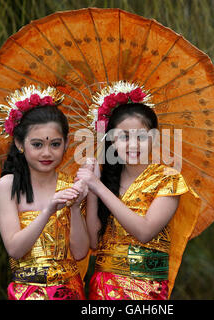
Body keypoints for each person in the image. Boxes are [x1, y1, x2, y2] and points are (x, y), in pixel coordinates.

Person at [76, 84, 194, 300]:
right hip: (103, 289)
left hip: (146, 290)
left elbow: (145, 231)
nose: (133, 144)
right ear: (111, 139)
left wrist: (98, 187)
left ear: (155, 138)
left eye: (141, 136)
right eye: (124, 137)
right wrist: (92, 190)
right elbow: (93, 242)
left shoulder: (167, 178)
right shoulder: (105, 180)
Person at [0, 86, 89, 300]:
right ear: (20, 144)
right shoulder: (8, 185)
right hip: (27, 293)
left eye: (55, 144)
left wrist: (74, 207)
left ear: (66, 144)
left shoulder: (71, 186)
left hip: (70, 293)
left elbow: (81, 252)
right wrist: (48, 210)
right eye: (37, 144)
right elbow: (15, 249)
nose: (47, 153)